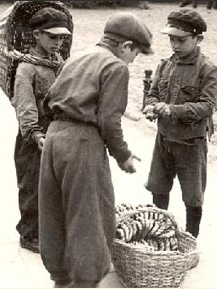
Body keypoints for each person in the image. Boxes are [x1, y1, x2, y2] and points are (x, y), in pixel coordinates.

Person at [39, 12, 153, 288]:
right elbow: (108, 122)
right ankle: (85, 282)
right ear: (125, 46)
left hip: (54, 138)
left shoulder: (76, 57)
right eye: (135, 54)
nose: (132, 60)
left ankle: (60, 279)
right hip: (82, 143)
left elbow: (48, 101)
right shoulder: (116, 67)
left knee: (54, 214)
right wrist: (123, 155)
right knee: (89, 216)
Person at [143, 8, 217, 238]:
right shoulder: (165, 64)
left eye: (181, 40)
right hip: (164, 138)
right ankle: (159, 235)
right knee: (158, 187)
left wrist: (172, 110)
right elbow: (153, 92)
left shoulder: (208, 69)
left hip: (191, 143)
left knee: (192, 196)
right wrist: (151, 104)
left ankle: (190, 239)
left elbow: (208, 106)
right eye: (171, 39)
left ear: (198, 39)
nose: (175, 45)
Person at [12, 7, 71, 253]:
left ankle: (49, 230)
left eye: (61, 38)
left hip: (56, 132)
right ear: (36, 35)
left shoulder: (58, 63)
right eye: (51, 37)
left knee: (53, 186)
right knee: (32, 185)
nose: (57, 42)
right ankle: (29, 234)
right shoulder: (27, 68)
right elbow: (25, 105)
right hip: (33, 137)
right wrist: (35, 134)